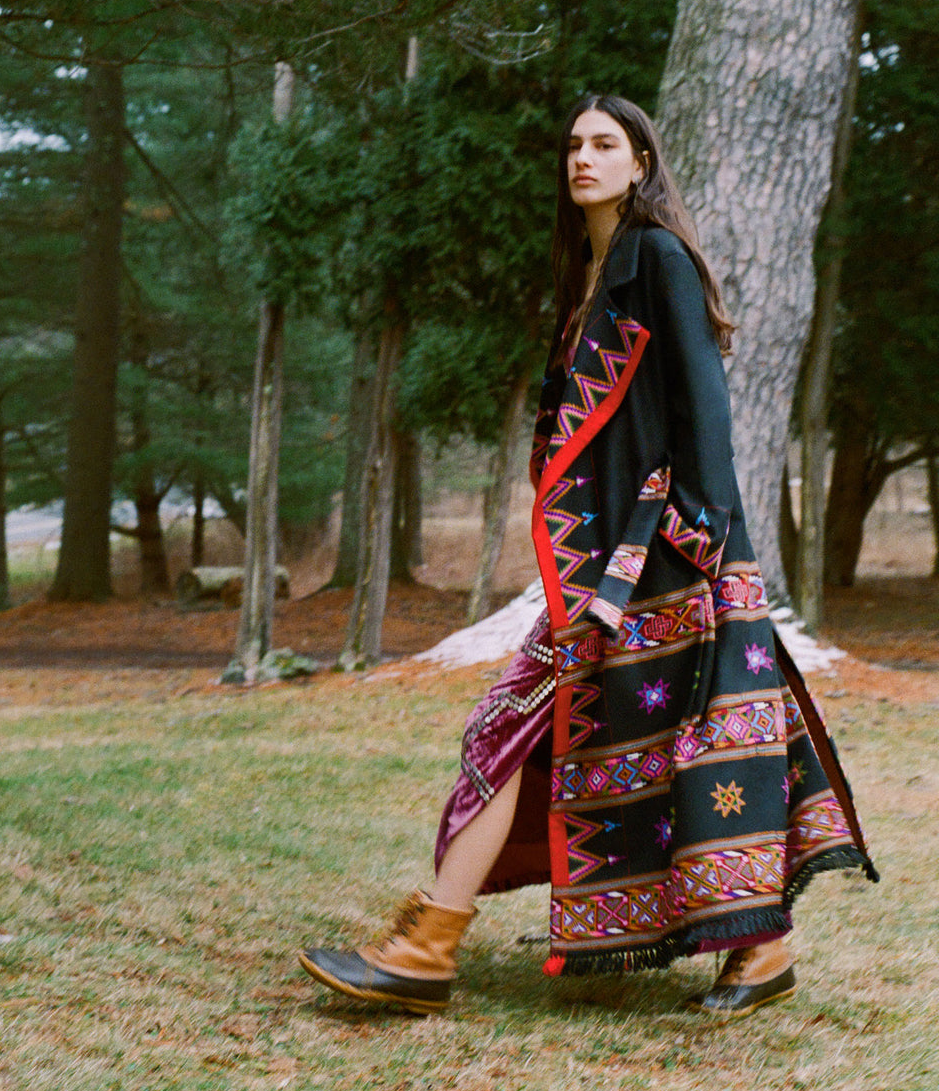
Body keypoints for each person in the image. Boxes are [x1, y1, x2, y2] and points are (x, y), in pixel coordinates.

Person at [299, 94, 877, 1019]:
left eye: (605, 145)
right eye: (572, 144)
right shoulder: (593, 273)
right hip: (609, 564)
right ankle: (758, 953)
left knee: (537, 728)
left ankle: (428, 947)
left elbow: (706, 404)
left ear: (641, 163)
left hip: (667, 561)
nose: (583, 158)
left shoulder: (656, 257)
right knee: (663, 752)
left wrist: (701, 545)